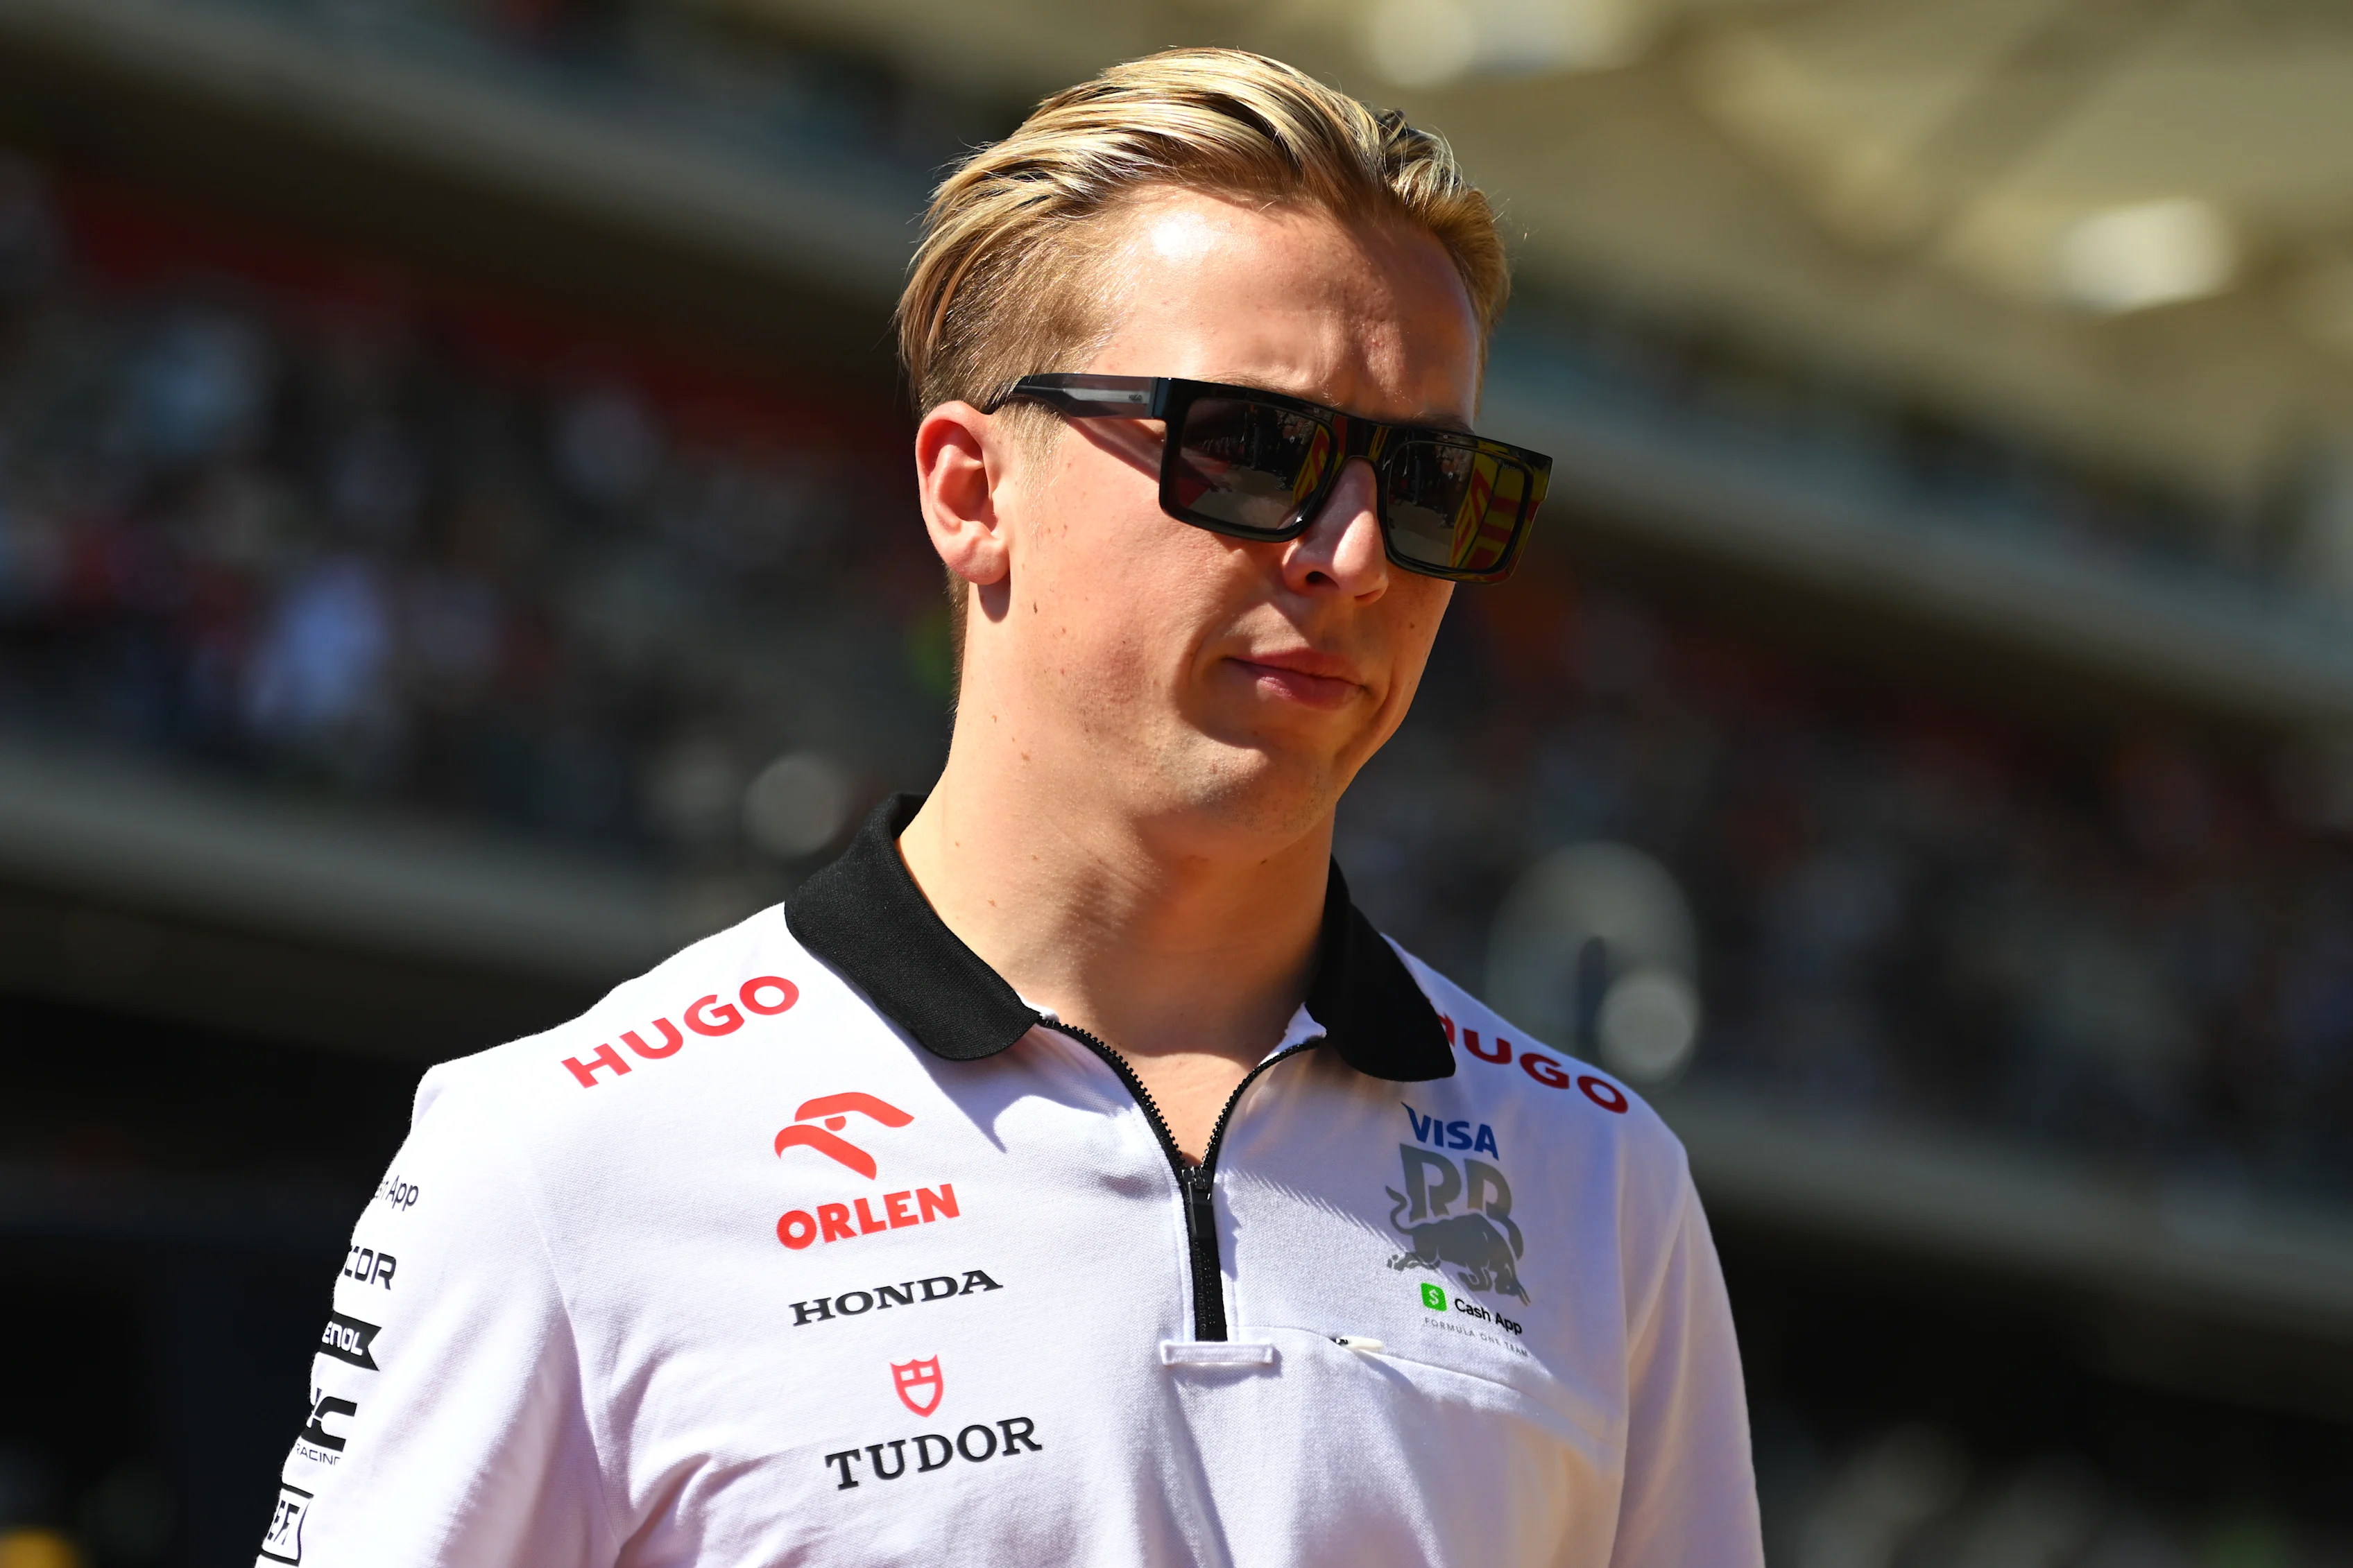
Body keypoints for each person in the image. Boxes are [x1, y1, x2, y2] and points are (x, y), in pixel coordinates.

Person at [258, 48, 1763, 1568]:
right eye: (1251, 449)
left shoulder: (1599, 1183)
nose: (1357, 555)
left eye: (1434, 483)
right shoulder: (566, 1151)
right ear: (972, 493)